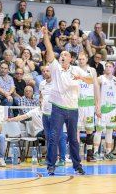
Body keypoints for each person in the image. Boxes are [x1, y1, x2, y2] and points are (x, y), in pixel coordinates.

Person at [42, 25, 89, 175]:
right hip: (58, 108)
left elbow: (91, 80)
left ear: (70, 58)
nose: (62, 56)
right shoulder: (55, 68)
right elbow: (49, 51)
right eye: (61, 54)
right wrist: (45, 37)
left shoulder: (76, 70)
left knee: (74, 140)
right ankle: (51, 165)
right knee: (54, 137)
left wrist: (81, 77)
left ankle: (77, 166)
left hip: (73, 109)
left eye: (65, 54)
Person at [39, 66, 67, 166]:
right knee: (48, 137)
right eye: (44, 71)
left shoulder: (58, 83)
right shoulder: (42, 83)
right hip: (45, 114)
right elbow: (41, 96)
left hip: (56, 114)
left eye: (47, 71)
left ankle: (62, 159)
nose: (45, 72)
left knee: (59, 137)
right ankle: (50, 158)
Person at [93, 61, 116, 161]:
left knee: (110, 131)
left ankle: (108, 152)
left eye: (110, 66)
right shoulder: (100, 79)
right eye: (107, 66)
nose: (108, 68)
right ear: (105, 68)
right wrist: (97, 107)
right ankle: (95, 152)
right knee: (99, 130)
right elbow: (95, 93)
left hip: (112, 109)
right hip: (102, 108)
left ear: (113, 68)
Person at [77, 52, 101, 162]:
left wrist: (98, 105)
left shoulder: (92, 70)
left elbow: (96, 87)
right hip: (77, 104)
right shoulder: (74, 70)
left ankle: (90, 154)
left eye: (82, 59)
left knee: (89, 129)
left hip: (89, 105)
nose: (81, 61)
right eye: (79, 59)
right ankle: (76, 154)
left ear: (86, 59)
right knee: (76, 129)